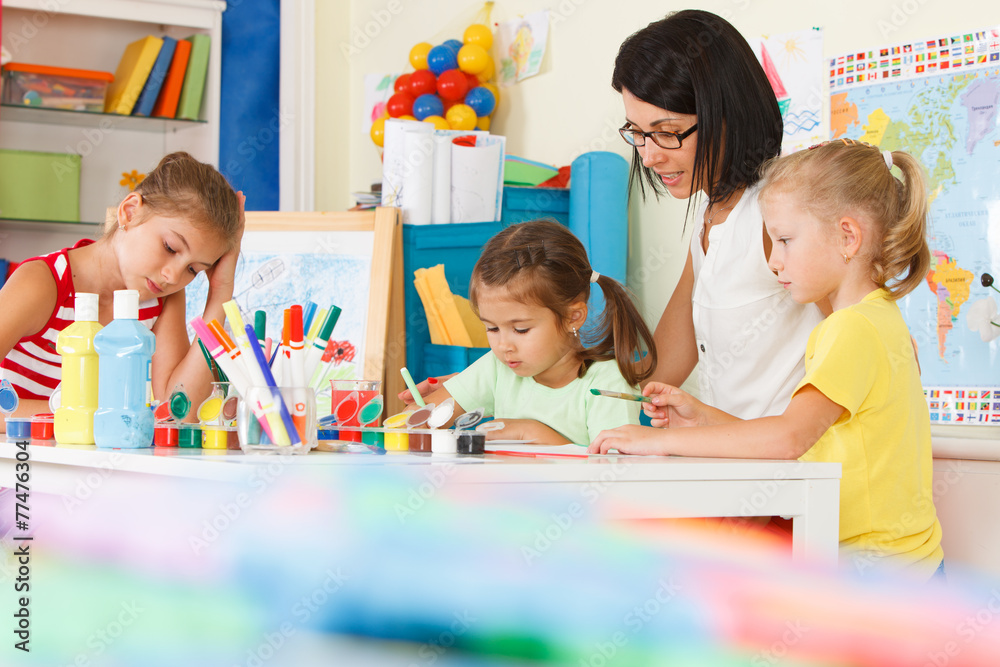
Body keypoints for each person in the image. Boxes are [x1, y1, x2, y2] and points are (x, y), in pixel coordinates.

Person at [591, 140, 944, 581]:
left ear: (848, 237)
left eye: (785, 240)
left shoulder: (852, 329)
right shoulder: (873, 319)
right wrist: (701, 418)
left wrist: (659, 442)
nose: (774, 262)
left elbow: (789, 438)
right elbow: (804, 441)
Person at [612, 9, 825, 419]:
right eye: (637, 132)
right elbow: (658, 370)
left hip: (794, 456)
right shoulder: (710, 216)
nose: (649, 156)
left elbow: (867, 341)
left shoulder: (778, 213)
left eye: (667, 132)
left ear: (726, 115)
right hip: (735, 453)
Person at [0, 152, 244, 429]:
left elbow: (179, 413)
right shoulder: (43, 282)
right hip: (19, 453)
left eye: (193, 269)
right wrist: (83, 416)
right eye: (170, 248)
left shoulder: (161, 298)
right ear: (130, 212)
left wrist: (221, 291)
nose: (173, 276)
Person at [420, 219, 657, 445]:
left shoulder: (607, 383)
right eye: (492, 328)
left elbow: (613, 465)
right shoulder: (498, 368)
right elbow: (422, 419)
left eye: (521, 329)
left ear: (573, 317)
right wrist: (417, 415)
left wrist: (532, 432)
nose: (504, 346)